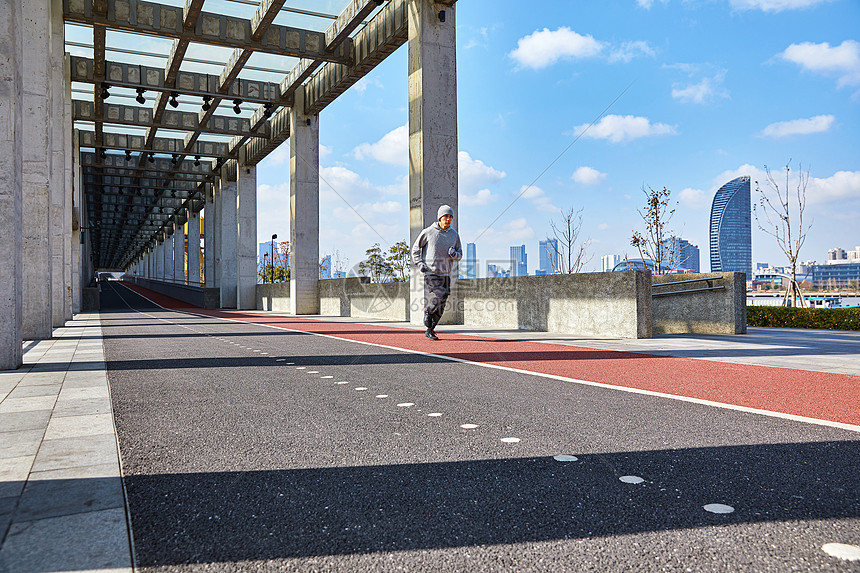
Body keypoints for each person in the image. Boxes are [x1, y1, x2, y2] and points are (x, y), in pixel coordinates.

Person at [411, 205, 462, 340]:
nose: (449, 220)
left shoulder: (454, 235)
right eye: (446, 217)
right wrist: (420, 263)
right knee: (442, 294)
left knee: (443, 303)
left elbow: (460, 255)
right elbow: (415, 249)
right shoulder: (428, 232)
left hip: (446, 273)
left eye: (451, 217)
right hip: (431, 272)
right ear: (440, 217)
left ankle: (430, 329)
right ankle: (428, 310)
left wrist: (454, 254)